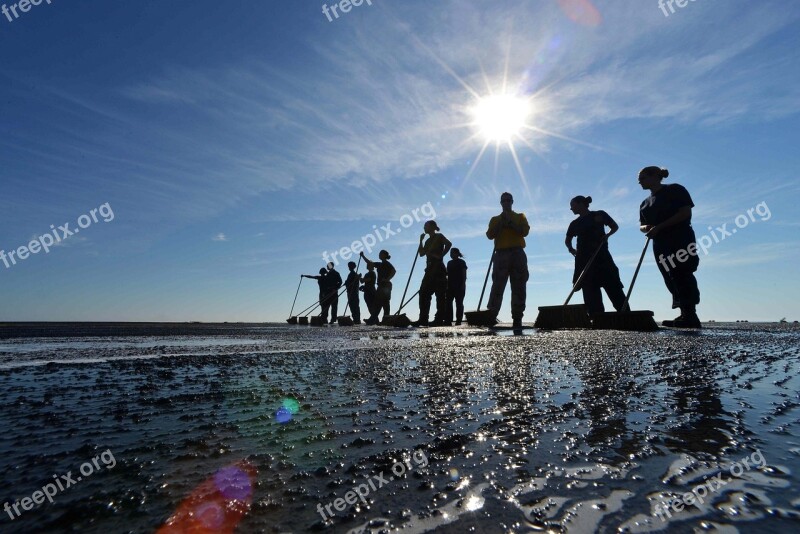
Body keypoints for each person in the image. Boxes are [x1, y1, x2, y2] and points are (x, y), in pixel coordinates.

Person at [638, 166, 701, 328]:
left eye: (643, 178)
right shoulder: (644, 203)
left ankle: (690, 315)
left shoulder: (675, 190)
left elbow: (685, 213)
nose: (639, 181)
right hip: (660, 243)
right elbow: (642, 225)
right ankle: (683, 314)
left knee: (682, 272)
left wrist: (660, 227)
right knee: (669, 276)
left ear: (655, 176)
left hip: (680, 238)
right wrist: (648, 228)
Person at [565, 195, 628, 314]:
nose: (571, 209)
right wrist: (571, 249)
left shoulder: (599, 215)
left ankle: (626, 315)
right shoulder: (574, 224)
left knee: (613, 286)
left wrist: (607, 235)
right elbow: (567, 240)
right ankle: (596, 317)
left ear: (581, 204)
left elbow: (614, 227)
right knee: (590, 291)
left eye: (572, 205)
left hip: (602, 257)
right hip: (583, 260)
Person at [486, 192, 530, 328]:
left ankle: (517, 317)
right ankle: (491, 315)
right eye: (503, 201)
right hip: (501, 254)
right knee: (497, 285)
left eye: (508, 200)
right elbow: (490, 235)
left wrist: (510, 223)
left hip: (517, 253)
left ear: (512, 202)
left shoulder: (520, 217)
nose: (506, 202)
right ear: (501, 203)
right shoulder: (495, 219)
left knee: (519, 285)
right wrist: (501, 224)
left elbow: (524, 232)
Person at [415, 220, 452, 326]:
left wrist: (441, 255)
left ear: (432, 227)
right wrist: (420, 241)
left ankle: (439, 319)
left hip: (439, 268)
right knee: (423, 293)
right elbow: (421, 253)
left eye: (426, 226)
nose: (424, 228)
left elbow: (449, 244)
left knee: (440, 295)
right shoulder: (427, 241)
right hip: (429, 269)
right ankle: (423, 318)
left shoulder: (439, 236)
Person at [359, 250, 396, 325]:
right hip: (381, 286)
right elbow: (369, 263)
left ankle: (385, 320)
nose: (379, 255)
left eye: (380, 254)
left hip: (385, 286)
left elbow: (394, 271)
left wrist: (387, 279)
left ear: (384, 255)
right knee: (378, 303)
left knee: (385, 303)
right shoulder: (379, 264)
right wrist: (363, 256)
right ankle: (373, 320)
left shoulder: (387, 263)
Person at [446, 248, 468, 325]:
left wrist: (463, 284)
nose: (451, 255)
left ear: (456, 253)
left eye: (452, 253)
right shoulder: (449, 263)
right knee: (448, 303)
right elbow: (447, 274)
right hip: (450, 286)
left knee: (459, 303)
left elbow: (464, 274)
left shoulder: (462, 262)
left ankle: (459, 320)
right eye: (450, 253)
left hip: (459, 285)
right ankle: (448, 319)